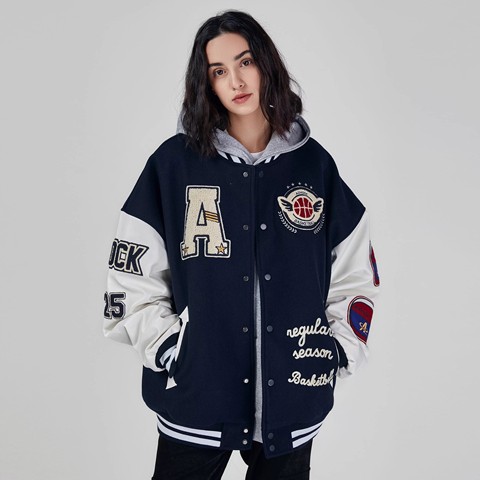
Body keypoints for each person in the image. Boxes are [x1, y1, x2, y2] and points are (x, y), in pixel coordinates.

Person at [103, 9, 380, 480]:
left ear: (265, 64)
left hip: (292, 397)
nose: (236, 80)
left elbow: (356, 274)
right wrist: (173, 350)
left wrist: (337, 351)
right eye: (218, 70)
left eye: (245, 62)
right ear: (206, 83)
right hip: (196, 397)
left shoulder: (314, 167)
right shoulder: (173, 165)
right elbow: (129, 278)